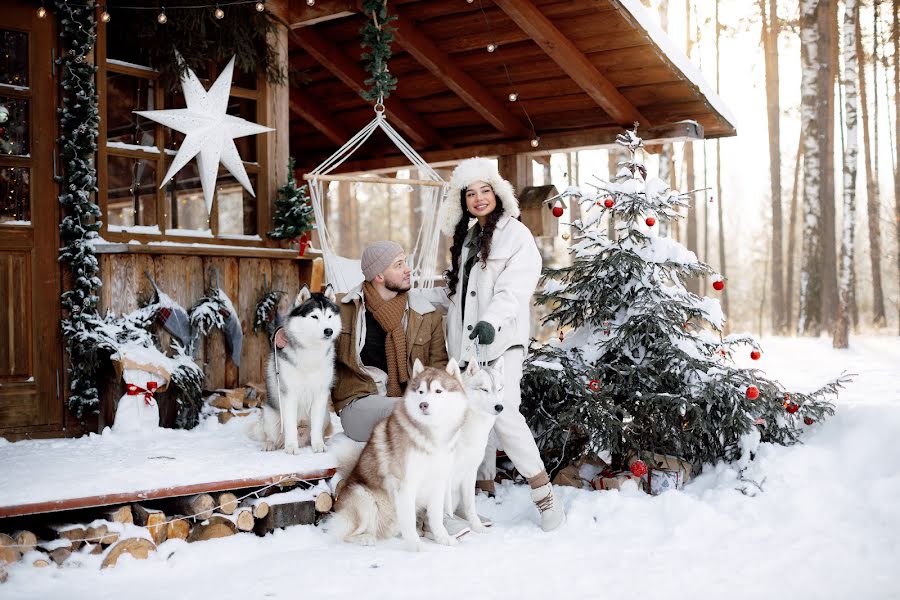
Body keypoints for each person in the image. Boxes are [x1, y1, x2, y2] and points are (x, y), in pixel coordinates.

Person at [425, 157, 566, 532]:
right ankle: (467, 497)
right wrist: (416, 295)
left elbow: (514, 289)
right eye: (470, 193)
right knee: (466, 415)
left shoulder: (516, 236)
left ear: (498, 193)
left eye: (485, 190)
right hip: (468, 348)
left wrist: (491, 322)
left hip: (501, 343)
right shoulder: (470, 238)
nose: (478, 198)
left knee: (504, 413)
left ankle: (544, 494)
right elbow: (459, 295)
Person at [276, 241, 448, 442]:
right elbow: (306, 321)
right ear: (379, 276)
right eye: (399, 265)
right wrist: (281, 331)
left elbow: (439, 369)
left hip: (412, 398)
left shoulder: (426, 315)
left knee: (420, 414)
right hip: (358, 403)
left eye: (406, 263)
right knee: (408, 412)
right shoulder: (343, 308)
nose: (408, 270)